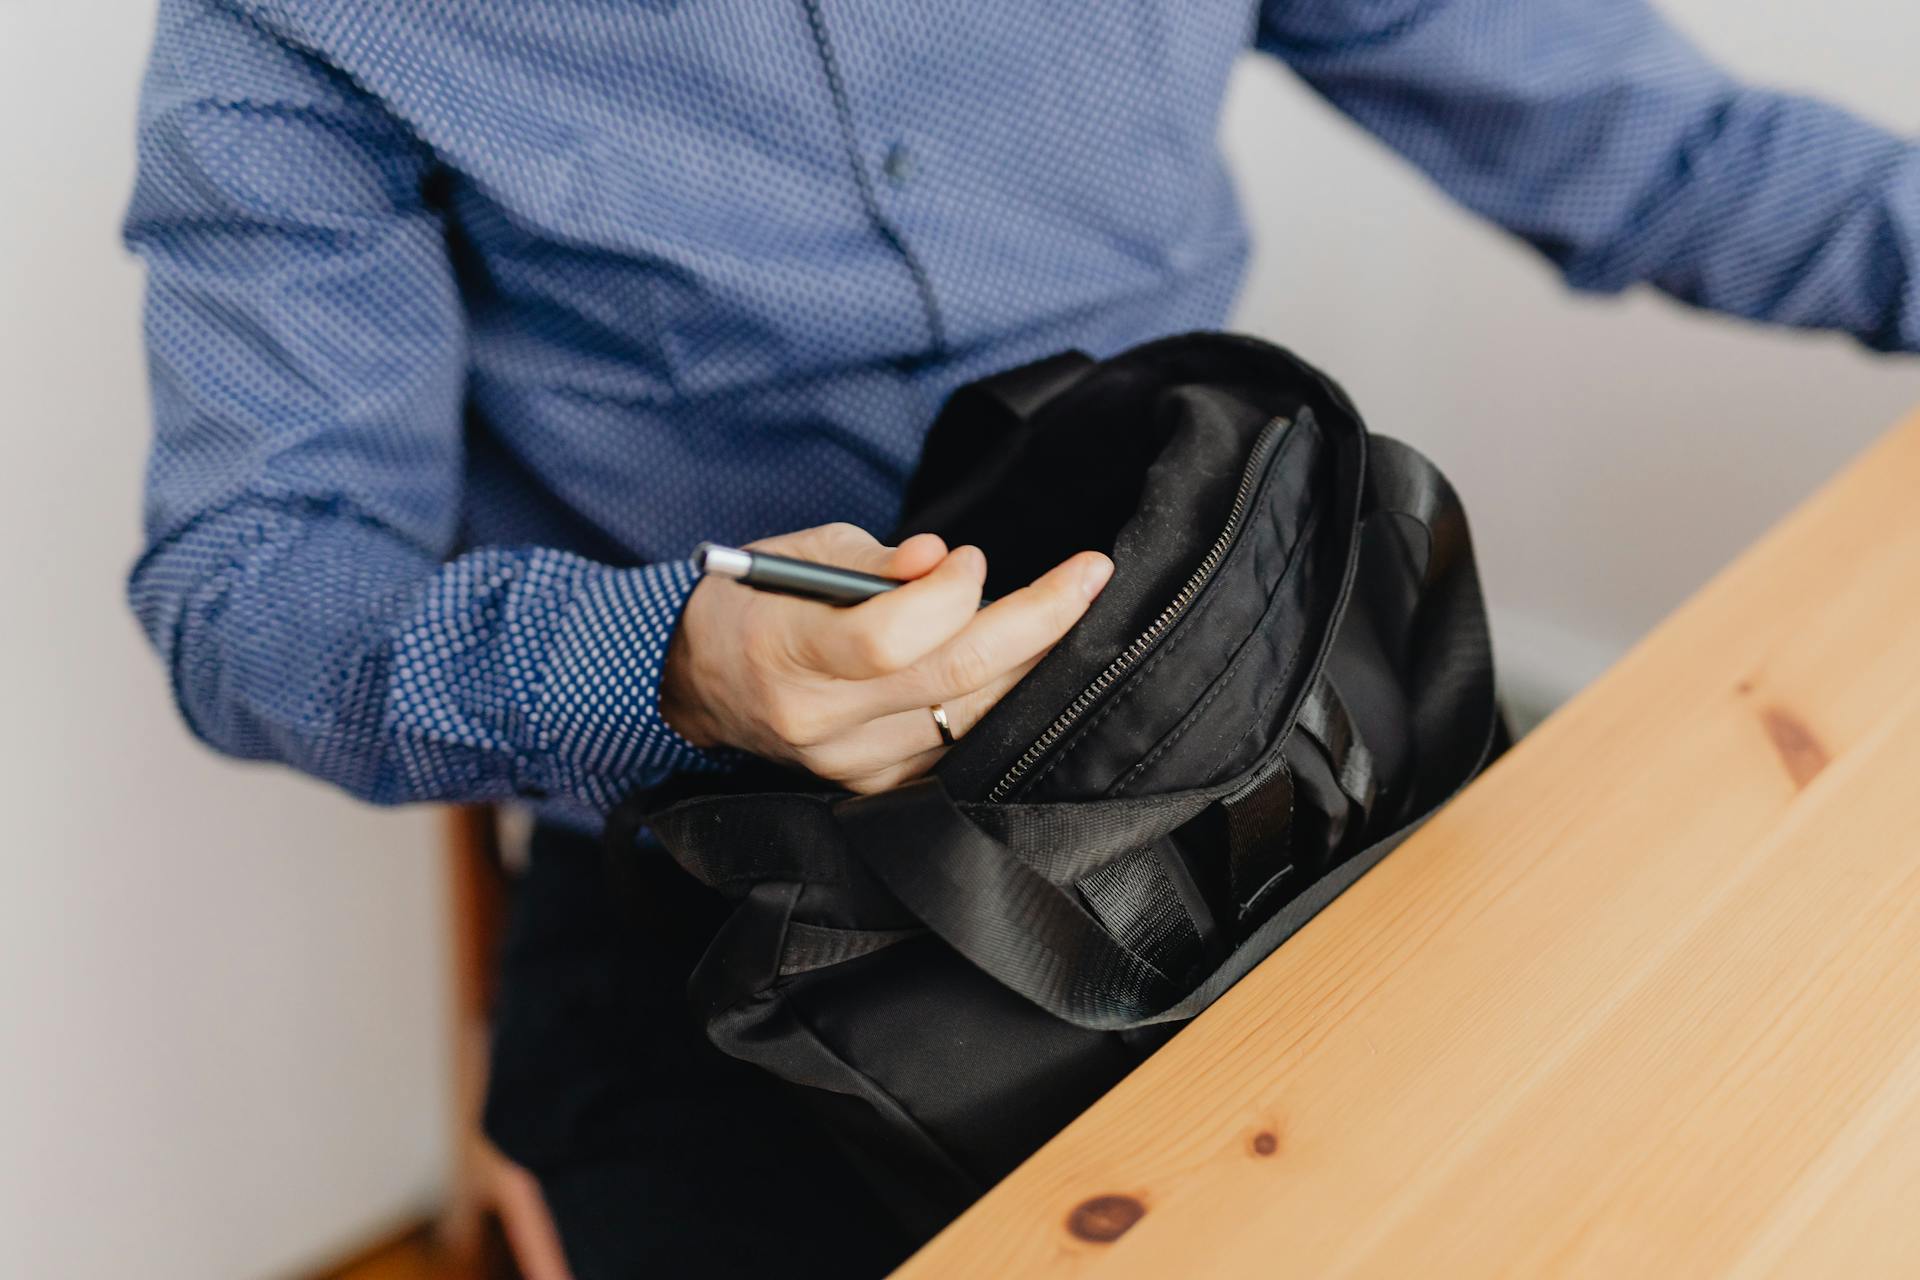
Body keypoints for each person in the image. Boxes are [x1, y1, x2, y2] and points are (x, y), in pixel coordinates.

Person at [123, 2, 1916, 1274]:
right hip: (739, 895)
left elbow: (1665, 148)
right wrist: (673, 663)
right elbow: (252, 592)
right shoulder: (299, 28)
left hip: (1262, 727)